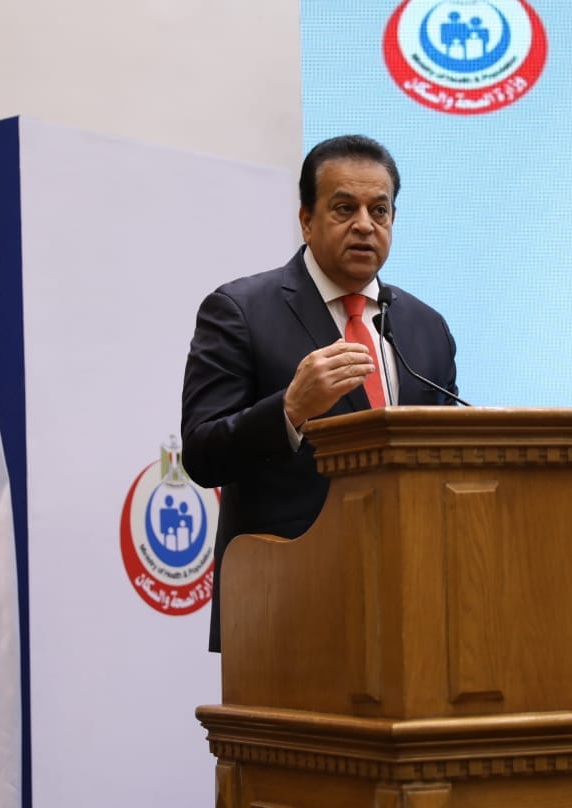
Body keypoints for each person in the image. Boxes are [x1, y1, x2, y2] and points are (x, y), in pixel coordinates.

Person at [180, 134, 459, 653]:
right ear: (306, 220)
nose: (365, 224)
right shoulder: (240, 311)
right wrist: (289, 411)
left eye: (379, 210)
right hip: (285, 607)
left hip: (414, 604)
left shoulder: (427, 327)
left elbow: (448, 456)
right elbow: (201, 454)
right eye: (344, 208)